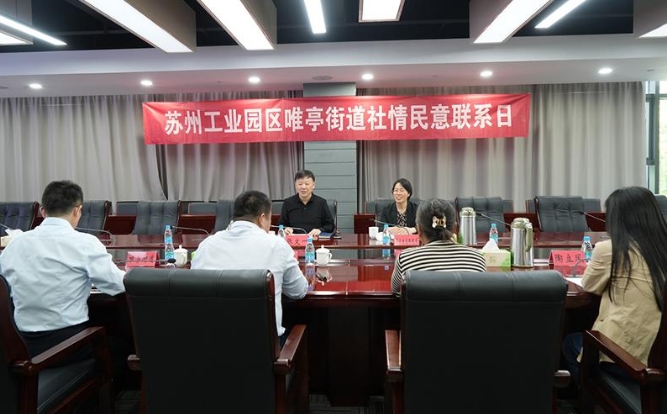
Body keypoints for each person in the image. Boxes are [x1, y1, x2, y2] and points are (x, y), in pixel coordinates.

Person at [0, 180, 125, 359]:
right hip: (67, 345)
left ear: (42, 211)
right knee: (121, 345)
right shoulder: (85, 243)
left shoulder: (15, 244)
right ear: (77, 210)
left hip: (22, 346)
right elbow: (118, 285)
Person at [563, 186, 667, 381]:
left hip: (628, 359)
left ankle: (595, 395)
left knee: (570, 342)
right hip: (661, 359)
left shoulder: (611, 249)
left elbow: (589, 285)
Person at [192, 190, 308, 342]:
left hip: (211, 344)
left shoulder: (206, 245)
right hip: (262, 348)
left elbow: (194, 292)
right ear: (262, 218)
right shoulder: (276, 245)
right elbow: (298, 291)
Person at [391, 198, 486, 294]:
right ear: (455, 229)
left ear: (419, 230)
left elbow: (395, 290)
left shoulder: (406, 259)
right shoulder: (477, 258)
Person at [280, 169, 335, 238]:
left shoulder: (321, 203)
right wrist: (285, 229)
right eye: (300, 184)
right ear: (295, 185)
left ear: (313, 185)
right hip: (294, 241)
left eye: (307, 184)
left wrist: (320, 230)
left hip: (315, 241)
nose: (303, 187)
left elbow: (330, 226)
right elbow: (281, 225)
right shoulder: (288, 203)